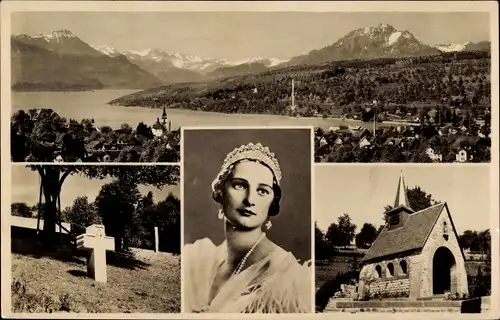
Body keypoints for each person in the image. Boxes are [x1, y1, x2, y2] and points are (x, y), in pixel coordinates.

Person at [184, 142, 311, 313]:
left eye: (262, 191)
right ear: (221, 191)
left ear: (272, 202)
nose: (250, 199)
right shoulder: (196, 260)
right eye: (240, 185)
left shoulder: (287, 278)